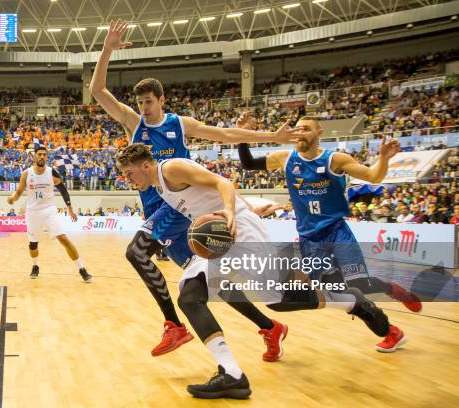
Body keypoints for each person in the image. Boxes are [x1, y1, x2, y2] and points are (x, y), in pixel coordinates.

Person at [116, 144, 393, 399]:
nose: (128, 179)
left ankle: (351, 302)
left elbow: (222, 182)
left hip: (239, 232)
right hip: (225, 237)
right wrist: (248, 208)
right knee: (205, 297)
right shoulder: (159, 186)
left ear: (146, 165)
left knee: (261, 299)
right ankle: (232, 372)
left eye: (129, 173)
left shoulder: (171, 168)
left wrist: (231, 211)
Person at [90, 20, 297, 356]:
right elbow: (99, 91)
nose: (143, 108)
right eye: (140, 102)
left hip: (174, 208)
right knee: (208, 283)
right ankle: (270, 327)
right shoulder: (133, 123)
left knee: (136, 252)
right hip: (167, 209)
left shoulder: (180, 125)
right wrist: (107, 49)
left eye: (148, 102)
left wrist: (273, 138)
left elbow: (226, 135)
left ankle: (173, 325)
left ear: (161, 100)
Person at [238, 115, 419, 351]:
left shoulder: (335, 159)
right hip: (309, 239)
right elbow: (249, 163)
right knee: (338, 291)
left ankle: (392, 289)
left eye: (306, 128)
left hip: (336, 232)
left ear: (319, 132)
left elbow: (374, 176)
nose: (299, 132)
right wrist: (241, 134)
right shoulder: (286, 158)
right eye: (297, 128)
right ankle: (390, 331)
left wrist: (383, 159)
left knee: (359, 284)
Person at [7, 146, 92, 282]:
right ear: (34, 156)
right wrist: (12, 198)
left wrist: (69, 208)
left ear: (46, 157)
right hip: (33, 212)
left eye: (44, 155)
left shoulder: (52, 172)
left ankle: (82, 268)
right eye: (39, 154)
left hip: (49, 210)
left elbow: (63, 190)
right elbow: (18, 192)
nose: (41, 156)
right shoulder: (26, 174)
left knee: (63, 238)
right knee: (33, 244)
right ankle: (35, 265)